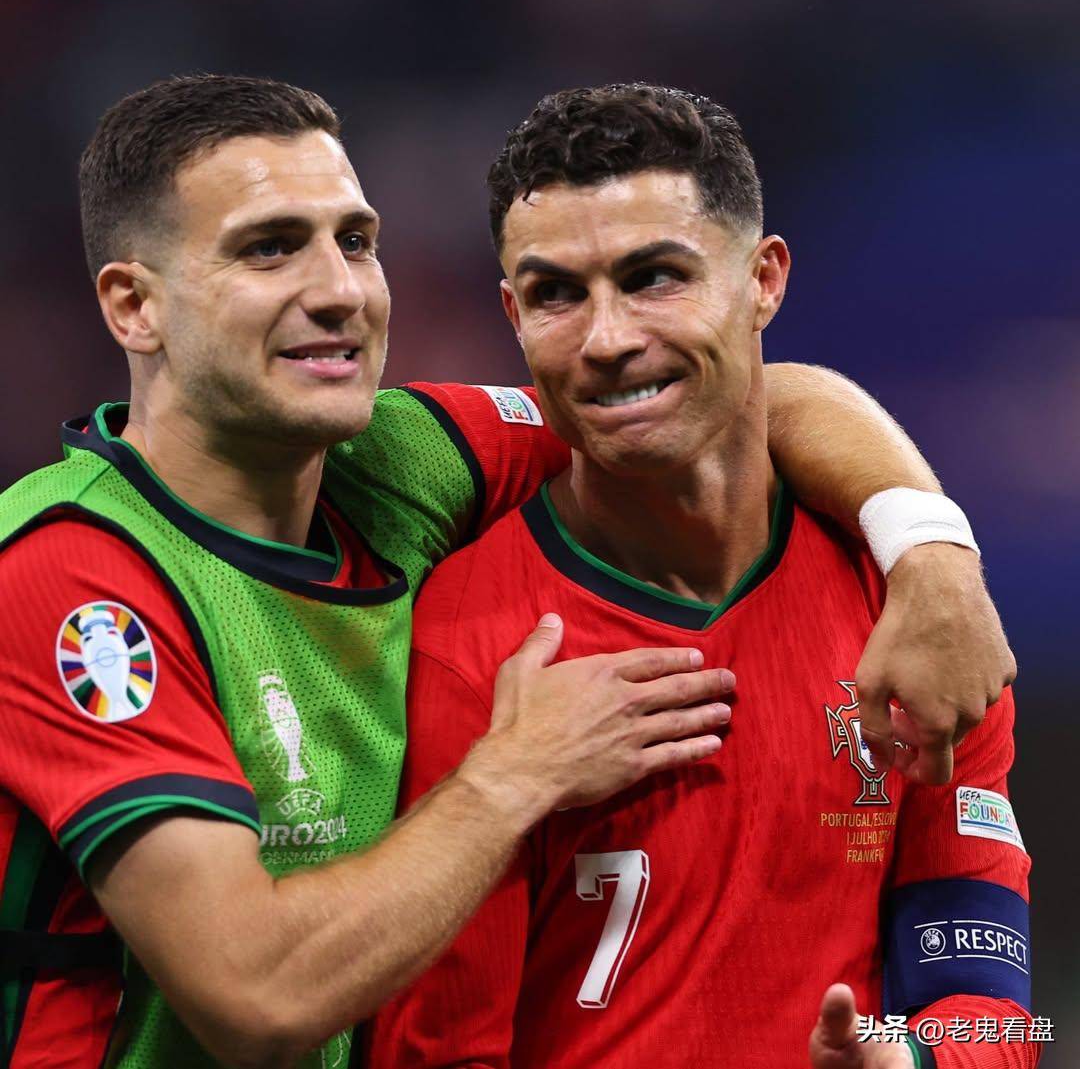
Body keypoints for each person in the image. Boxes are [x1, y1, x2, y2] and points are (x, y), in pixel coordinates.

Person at [0, 75, 1011, 1068]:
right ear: (134, 305)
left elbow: (731, 399)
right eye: (270, 248)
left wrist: (932, 554)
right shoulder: (70, 578)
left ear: (764, 279)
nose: (340, 290)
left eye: (355, 241)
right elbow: (257, 1000)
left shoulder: (403, 461)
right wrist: (513, 774)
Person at [368, 85, 1035, 1069]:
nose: (606, 338)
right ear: (512, 313)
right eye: (556, 294)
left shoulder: (918, 616)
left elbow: (992, 1006)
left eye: (654, 278)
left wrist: (914, 1059)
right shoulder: (471, 649)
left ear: (764, 280)